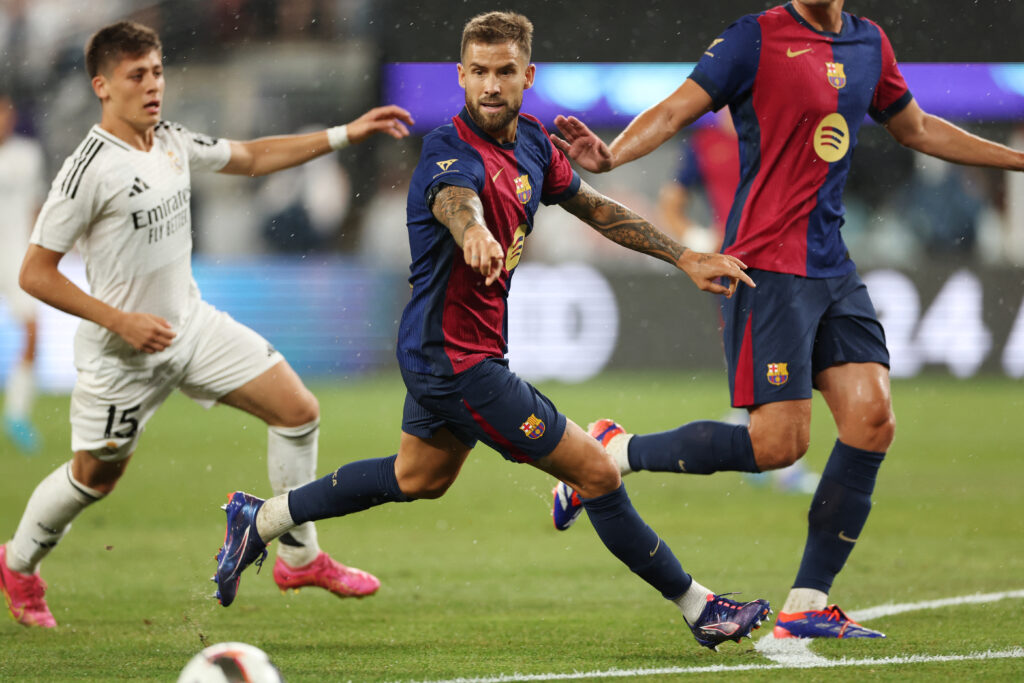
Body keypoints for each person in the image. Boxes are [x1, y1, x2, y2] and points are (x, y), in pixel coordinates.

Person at [211, 11, 771, 652]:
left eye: (504, 72)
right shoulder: (446, 150)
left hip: (440, 349)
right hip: (459, 362)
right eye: (477, 72)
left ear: (527, 76)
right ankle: (701, 608)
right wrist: (471, 230)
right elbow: (458, 201)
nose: (490, 85)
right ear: (461, 75)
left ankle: (262, 518)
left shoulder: (533, 141)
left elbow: (595, 207)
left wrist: (685, 256)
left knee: (418, 476)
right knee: (597, 474)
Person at [548, 0, 1024, 640]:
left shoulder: (868, 43)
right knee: (779, 446)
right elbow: (674, 108)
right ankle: (615, 450)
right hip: (766, 266)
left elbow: (917, 128)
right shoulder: (756, 38)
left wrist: (1016, 160)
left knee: (872, 418)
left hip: (833, 264)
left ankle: (807, 602)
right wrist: (612, 157)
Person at [0, 20, 415, 628]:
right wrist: (122, 321)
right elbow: (35, 274)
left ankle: (299, 558)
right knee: (94, 476)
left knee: (298, 411)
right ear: (102, 86)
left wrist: (343, 134)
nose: (153, 86)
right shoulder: (85, 172)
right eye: (137, 75)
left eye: (158, 71)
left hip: (192, 328)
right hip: (123, 357)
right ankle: (18, 563)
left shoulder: (168, 138)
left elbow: (248, 158)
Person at [0, 91, 47, 454]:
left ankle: (16, 414)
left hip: (16, 258)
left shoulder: (27, 155)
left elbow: (36, 207)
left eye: (7, 111)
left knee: (32, 331)